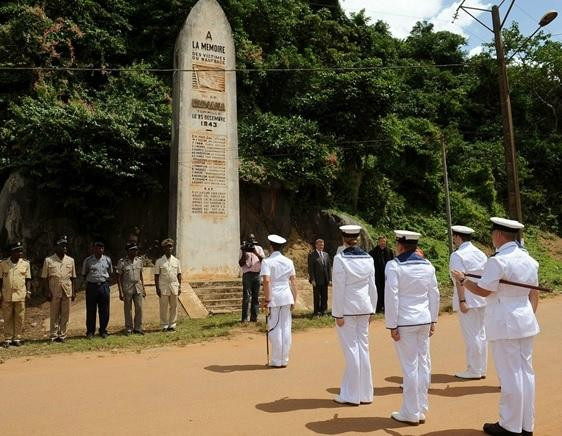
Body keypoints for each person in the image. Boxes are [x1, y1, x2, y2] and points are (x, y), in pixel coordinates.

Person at [452, 217, 539, 436]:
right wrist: (527, 316)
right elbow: (534, 294)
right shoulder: (529, 260)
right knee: (525, 373)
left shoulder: (498, 260)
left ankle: (510, 425)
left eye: (493, 234)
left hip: (504, 322)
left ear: (499, 236)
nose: (492, 238)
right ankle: (526, 424)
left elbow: (484, 290)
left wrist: (463, 281)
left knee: (510, 375)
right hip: (525, 320)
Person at [385, 230, 439, 425]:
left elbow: (392, 297)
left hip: (405, 321)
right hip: (424, 319)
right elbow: (434, 294)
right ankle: (420, 407)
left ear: (400, 245)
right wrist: (433, 319)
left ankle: (411, 412)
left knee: (410, 367)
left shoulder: (394, 266)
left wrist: (391, 324)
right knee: (423, 363)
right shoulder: (428, 266)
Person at [332, 225, 377, 406]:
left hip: (348, 308)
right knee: (363, 349)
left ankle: (351, 394)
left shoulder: (340, 259)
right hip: (364, 306)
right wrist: (372, 308)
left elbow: (339, 288)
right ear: (357, 238)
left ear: (343, 238)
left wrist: (338, 313)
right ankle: (365, 393)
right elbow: (372, 286)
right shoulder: (368, 258)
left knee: (351, 350)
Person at [449, 225, 488, 380]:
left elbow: (459, 280)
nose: (453, 239)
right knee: (481, 334)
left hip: (468, 297)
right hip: (482, 297)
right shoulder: (480, 253)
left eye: (454, 237)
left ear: (458, 237)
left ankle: (474, 370)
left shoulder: (458, 255)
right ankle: (481, 368)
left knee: (472, 336)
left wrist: (462, 300)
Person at [260, 234, 297, 368]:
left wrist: (267, 298)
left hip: (274, 296)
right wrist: (294, 298)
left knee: (274, 328)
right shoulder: (288, 261)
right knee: (286, 327)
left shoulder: (267, 262)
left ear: (271, 246)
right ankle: (284, 359)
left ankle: (276, 360)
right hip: (287, 296)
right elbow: (293, 281)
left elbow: (266, 281)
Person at [41, 236, 77, 343]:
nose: (65, 247)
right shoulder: (48, 260)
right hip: (54, 291)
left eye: (66, 246)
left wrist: (74, 291)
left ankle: (62, 335)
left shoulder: (71, 260)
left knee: (65, 314)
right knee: (54, 314)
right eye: (62, 246)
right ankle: (53, 335)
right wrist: (47, 291)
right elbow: (44, 277)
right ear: (56, 247)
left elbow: (73, 277)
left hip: (67, 290)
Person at [0, 242, 31, 347]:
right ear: (12, 252)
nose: (20, 253)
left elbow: (28, 279)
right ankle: (8, 338)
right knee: (7, 317)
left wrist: (28, 291)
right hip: (7, 294)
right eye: (18, 251)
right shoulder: (3, 264)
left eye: (21, 251)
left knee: (19, 317)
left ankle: (17, 337)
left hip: (20, 294)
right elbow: (0, 280)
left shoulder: (26, 264)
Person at [82, 241, 113, 338]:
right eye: (98, 248)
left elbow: (110, 272)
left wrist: (107, 285)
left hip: (103, 286)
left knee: (105, 309)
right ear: (94, 249)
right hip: (92, 286)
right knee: (91, 309)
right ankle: (90, 331)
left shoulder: (107, 260)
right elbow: (84, 273)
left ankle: (103, 330)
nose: (100, 250)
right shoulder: (88, 260)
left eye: (102, 248)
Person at [116, 242, 145, 335]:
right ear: (128, 251)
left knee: (139, 308)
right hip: (127, 287)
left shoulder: (139, 260)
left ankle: (138, 327)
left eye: (136, 250)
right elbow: (119, 277)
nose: (135, 251)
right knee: (128, 309)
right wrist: (120, 291)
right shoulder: (122, 262)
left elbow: (141, 275)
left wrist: (143, 288)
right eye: (132, 250)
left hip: (138, 286)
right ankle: (129, 328)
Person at [154, 238, 182, 332]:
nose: (169, 249)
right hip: (163, 287)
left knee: (174, 306)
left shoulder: (177, 261)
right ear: (164, 249)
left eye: (170, 247)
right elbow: (157, 276)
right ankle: (164, 325)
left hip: (174, 286)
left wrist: (179, 286)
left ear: (172, 248)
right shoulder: (159, 261)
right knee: (163, 307)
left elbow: (179, 274)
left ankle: (172, 325)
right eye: (167, 247)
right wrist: (157, 288)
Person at [238, 233, 265, 323]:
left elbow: (263, 260)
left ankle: (254, 317)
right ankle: (244, 318)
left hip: (257, 274)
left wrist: (255, 252)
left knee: (255, 297)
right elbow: (241, 263)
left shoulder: (259, 248)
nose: (251, 243)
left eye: (253, 240)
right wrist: (244, 252)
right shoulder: (243, 249)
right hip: (247, 275)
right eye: (250, 240)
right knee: (246, 297)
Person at [369, 236, 394, 313]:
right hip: (377, 275)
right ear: (378, 242)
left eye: (384, 241)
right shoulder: (372, 252)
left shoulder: (390, 251)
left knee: (386, 291)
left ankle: (386, 307)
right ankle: (378, 307)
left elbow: (392, 263)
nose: (383, 243)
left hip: (387, 276)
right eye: (381, 241)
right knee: (377, 291)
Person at [307, 238, 331, 316]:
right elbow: (310, 268)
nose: (321, 246)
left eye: (322, 245)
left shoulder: (326, 254)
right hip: (316, 280)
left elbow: (328, 268)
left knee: (325, 296)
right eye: (320, 245)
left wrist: (330, 279)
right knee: (317, 296)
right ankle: (316, 312)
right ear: (316, 245)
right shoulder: (312, 255)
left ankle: (324, 311)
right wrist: (312, 279)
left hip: (325, 279)